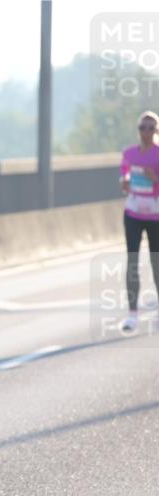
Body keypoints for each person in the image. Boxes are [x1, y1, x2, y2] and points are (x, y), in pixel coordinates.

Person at [119, 110, 159, 333]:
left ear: (157, 130)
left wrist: (156, 179)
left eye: (150, 127)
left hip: (156, 215)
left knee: (156, 264)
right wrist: (124, 183)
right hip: (133, 212)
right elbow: (123, 174)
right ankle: (132, 314)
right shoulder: (129, 153)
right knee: (132, 261)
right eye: (142, 127)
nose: (146, 132)